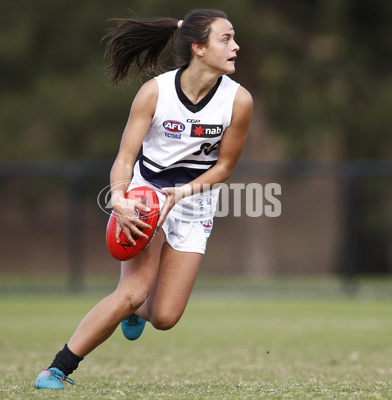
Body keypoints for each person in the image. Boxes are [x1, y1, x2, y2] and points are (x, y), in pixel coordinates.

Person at [34, 8, 253, 389]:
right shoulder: (156, 92)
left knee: (165, 317)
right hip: (145, 196)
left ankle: (134, 313)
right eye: (226, 39)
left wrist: (182, 193)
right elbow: (124, 159)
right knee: (131, 293)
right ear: (199, 48)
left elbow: (225, 168)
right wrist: (120, 198)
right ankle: (57, 368)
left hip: (193, 200)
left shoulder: (239, 101)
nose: (236, 46)